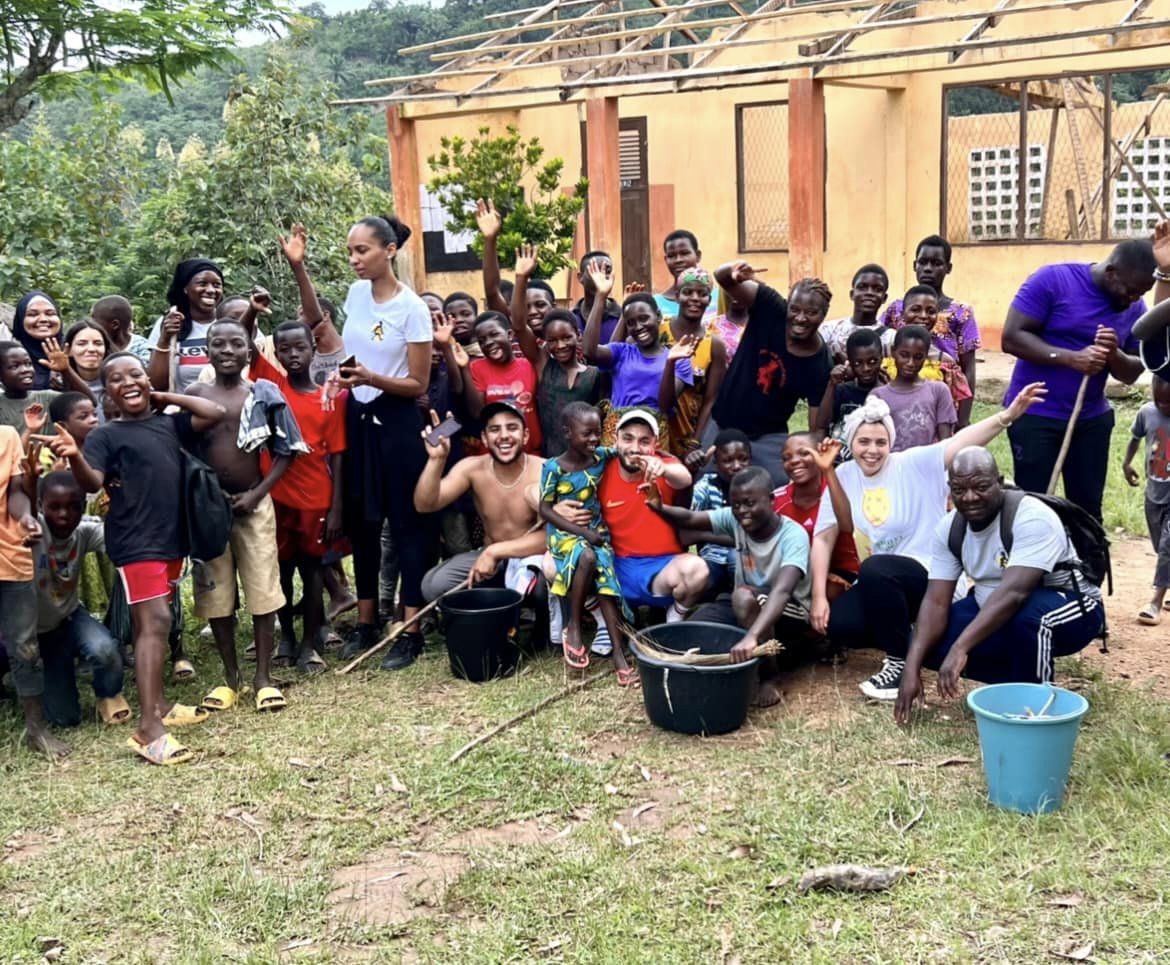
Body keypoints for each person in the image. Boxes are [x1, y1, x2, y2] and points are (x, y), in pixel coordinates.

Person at [809, 383, 1046, 701]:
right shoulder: (846, 474)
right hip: (887, 585)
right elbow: (825, 537)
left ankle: (899, 662)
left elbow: (962, 441)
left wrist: (1008, 415)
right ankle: (914, 635)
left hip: (934, 579)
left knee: (877, 568)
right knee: (842, 623)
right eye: (863, 441)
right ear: (851, 442)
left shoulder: (913, 464)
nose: (872, 450)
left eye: (881, 442)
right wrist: (819, 597)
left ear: (891, 443)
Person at [55, 352, 226, 765]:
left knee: (153, 618)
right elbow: (93, 482)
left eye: (135, 374)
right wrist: (75, 454)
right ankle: (149, 729)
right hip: (136, 542)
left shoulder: (168, 423)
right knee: (155, 623)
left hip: (170, 539)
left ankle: (161, 705)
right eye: (116, 379)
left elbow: (215, 411)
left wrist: (161, 393)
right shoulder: (106, 435)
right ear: (106, 392)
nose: (127, 382)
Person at [893, 447, 1105, 724]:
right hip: (998, 606)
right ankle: (1013, 681)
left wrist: (961, 648)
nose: (969, 498)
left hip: (1072, 605)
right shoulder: (950, 528)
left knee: (1030, 620)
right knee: (926, 644)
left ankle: (1036, 705)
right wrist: (911, 668)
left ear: (999, 481)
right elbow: (936, 601)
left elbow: (1015, 594)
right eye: (959, 489)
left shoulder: (1032, 516)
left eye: (980, 487)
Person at [186, 319, 303, 712]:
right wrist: (210, 493)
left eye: (237, 344)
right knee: (216, 593)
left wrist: (257, 493)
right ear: (207, 349)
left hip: (254, 507)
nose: (227, 351)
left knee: (263, 588)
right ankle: (229, 677)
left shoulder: (263, 393)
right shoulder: (194, 394)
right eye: (218, 343)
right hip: (209, 510)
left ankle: (263, 677)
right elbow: (183, 450)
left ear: (249, 351)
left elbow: (286, 450)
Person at [336, 214, 436, 671]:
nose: (355, 259)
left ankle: (411, 629)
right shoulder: (356, 295)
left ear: (389, 250)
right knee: (361, 522)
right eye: (352, 250)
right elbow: (344, 346)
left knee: (408, 522)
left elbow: (418, 383)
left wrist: (372, 377)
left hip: (396, 421)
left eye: (363, 250)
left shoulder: (411, 308)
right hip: (356, 415)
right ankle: (367, 620)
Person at [1002, 238, 1154, 521]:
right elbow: (1011, 337)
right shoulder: (1053, 280)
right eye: (1131, 290)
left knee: (1086, 510)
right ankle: (1035, 564)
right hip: (1035, 414)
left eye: (1142, 292)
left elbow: (1132, 372)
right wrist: (1071, 358)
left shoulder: (1134, 308)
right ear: (1111, 272)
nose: (1134, 299)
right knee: (1034, 506)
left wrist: (1113, 354)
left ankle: (1087, 565)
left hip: (1090, 420)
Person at [645, 465, 812, 707]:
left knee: (744, 599)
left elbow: (783, 591)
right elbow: (692, 519)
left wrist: (752, 637)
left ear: (771, 500)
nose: (742, 511)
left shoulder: (793, 535)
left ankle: (771, 675)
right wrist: (659, 507)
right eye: (736, 505)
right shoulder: (735, 519)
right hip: (743, 602)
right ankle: (746, 650)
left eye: (750, 503)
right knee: (696, 628)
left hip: (788, 610)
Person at [249, 316, 346, 673]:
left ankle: (310, 643)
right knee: (282, 572)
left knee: (315, 573)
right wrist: (251, 313)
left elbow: (337, 456)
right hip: (276, 498)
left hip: (316, 500)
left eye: (300, 347)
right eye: (284, 348)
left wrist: (337, 509)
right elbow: (244, 346)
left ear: (313, 349)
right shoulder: (272, 386)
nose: (292, 354)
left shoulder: (329, 398)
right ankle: (286, 636)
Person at [414, 401, 546, 613]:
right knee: (433, 585)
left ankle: (535, 616)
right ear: (484, 438)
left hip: (533, 558)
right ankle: (497, 602)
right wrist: (436, 460)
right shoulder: (472, 468)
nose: (504, 436)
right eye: (494, 429)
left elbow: (552, 536)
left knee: (544, 583)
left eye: (512, 428)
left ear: (526, 436)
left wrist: (495, 551)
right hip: (491, 563)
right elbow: (425, 505)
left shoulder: (545, 470)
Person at [710, 265, 833, 485]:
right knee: (704, 485)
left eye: (811, 313)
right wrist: (734, 272)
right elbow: (722, 278)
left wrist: (806, 457)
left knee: (776, 492)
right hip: (721, 424)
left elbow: (816, 428)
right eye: (795, 309)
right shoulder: (771, 307)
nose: (801, 318)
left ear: (824, 315)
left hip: (768, 438)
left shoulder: (819, 362)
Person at [538, 402, 634, 682]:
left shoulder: (601, 457)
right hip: (565, 533)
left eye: (597, 433)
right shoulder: (554, 468)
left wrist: (659, 455)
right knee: (587, 556)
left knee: (605, 575)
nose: (593, 439)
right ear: (567, 433)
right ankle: (575, 625)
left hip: (595, 530)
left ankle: (619, 653)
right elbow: (544, 510)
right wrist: (583, 534)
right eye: (586, 434)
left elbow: (629, 451)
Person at [32, 471, 129, 729]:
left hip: (70, 618)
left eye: (73, 507)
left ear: (83, 506)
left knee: (105, 649)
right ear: (40, 506)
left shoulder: (84, 532)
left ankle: (108, 693)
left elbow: (121, 538)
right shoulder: (34, 529)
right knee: (65, 719)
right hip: (35, 631)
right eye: (54, 507)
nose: (64, 515)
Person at [596, 409, 710, 620]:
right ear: (615, 440)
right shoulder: (602, 469)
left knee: (697, 570)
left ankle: (675, 615)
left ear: (655, 443)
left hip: (662, 568)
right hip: (615, 567)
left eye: (644, 441)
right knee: (561, 560)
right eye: (627, 439)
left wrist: (663, 470)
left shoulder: (663, 464)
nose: (635, 448)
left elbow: (684, 478)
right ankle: (603, 621)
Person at [880, 236, 980, 426]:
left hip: (944, 397)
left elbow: (969, 367)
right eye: (923, 262)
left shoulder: (961, 312)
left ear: (948, 268)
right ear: (914, 265)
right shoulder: (896, 309)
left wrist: (963, 419)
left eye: (936, 263)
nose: (928, 268)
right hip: (901, 396)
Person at [0, 422, 55, 756]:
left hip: (9, 554)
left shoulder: (6, 436)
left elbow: (17, 491)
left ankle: (37, 729)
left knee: (25, 644)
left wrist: (25, 519)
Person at [584, 264, 685, 443]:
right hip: (617, 437)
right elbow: (589, 351)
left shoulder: (678, 358)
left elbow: (666, 404)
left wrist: (670, 363)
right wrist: (601, 296)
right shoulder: (622, 352)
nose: (638, 327)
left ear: (658, 316)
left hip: (654, 438)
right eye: (631, 323)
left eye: (644, 318)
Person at [658, 266, 728, 457]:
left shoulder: (714, 344)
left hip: (688, 429)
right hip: (655, 424)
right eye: (688, 292)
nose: (695, 298)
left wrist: (696, 441)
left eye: (702, 293)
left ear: (709, 300)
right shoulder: (658, 331)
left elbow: (710, 399)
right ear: (677, 296)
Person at [879, 286, 972, 421]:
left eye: (930, 311)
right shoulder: (885, 354)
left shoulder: (945, 362)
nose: (923, 316)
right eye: (915, 310)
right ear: (903, 313)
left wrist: (961, 426)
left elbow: (955, 404)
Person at [1123, 374, 1170, 625]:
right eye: (1161, 401)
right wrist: (1127, 463)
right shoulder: (1147, 413)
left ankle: (1156, 602)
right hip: (1154, 492)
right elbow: (1135, 438)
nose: (1165, 407)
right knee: (1158, 543)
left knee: (1167, 546)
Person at [459, 311, 541, 454]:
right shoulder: (476, 367)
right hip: (495, 451)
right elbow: (477, 412)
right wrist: (464, 369)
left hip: (529, 449)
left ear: (510, 335)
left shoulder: (529, 365)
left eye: (494, 334)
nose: (488, 342)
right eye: (482, 340)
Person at [689, 429, 753, 595]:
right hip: (712, 558)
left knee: (735, 558)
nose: (737, 466)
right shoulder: (707, 485)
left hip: (747, 559)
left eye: (743, 459)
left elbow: (750, 538)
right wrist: (692, 472)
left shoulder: (757, 486)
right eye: (728, 460)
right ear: (716, 462)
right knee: (698, 580)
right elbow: (687, 513)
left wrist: (702, 534)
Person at [872, 325, 956, 451]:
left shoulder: (938, 391)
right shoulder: (878, 396)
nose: (910, 363)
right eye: (904, 355)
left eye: (918, 357)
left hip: (926, 466)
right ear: (893, 352)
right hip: (891, 467)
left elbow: (945, 443)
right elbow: (874, 442)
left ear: (926, 356)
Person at [147, 258, 225, 393]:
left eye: (217, 285)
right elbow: (156, 384)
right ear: (185, 288)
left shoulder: (231, 320)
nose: (211, 290)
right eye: (202, 284)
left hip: (233, 409)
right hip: (184, 410)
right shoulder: (170, 323)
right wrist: (165, 339)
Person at [814, 327, 884, 453]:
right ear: (849, 362)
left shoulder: (886, 392)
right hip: (842, 460)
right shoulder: (842, 390)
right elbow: (821, 425)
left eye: (872, 361)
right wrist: (832, 385)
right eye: (858, 363)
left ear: (882, 357)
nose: (866, 368)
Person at [0, 340, 93, 433]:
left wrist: (66, 370)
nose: (25, 370)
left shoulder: (48, 397)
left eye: (28, 364)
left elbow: (89, 401)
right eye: (14, 366)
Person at [819, 264, 890, 363]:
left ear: (884, 298)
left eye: (877, 289)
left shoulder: (890, 339)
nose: (869, 293)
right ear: (852, 294)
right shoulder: (828, 330)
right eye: (862, 287)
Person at [654, 230, 715, 325]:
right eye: (672, 256)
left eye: (684, 253)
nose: (678, 260)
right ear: (666, 260)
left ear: (698, 256)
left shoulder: (718, 297)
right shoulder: (656, 303)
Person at [63, 320, 108, 420]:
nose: (91, 349)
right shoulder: (58, 384)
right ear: (69, 350)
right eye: (82, 343)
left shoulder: (118, 383)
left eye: (98, 343)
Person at [572, 251, 621, 341]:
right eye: (594, 271)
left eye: (607, 271)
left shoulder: (622, 317)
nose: (601, 277)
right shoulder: (570, 318)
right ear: (580, 277)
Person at [91, 295, 152, 366]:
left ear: (115, 325)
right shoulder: (93, 345)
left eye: (94, 322)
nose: (91, 326)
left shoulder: (143, 348)